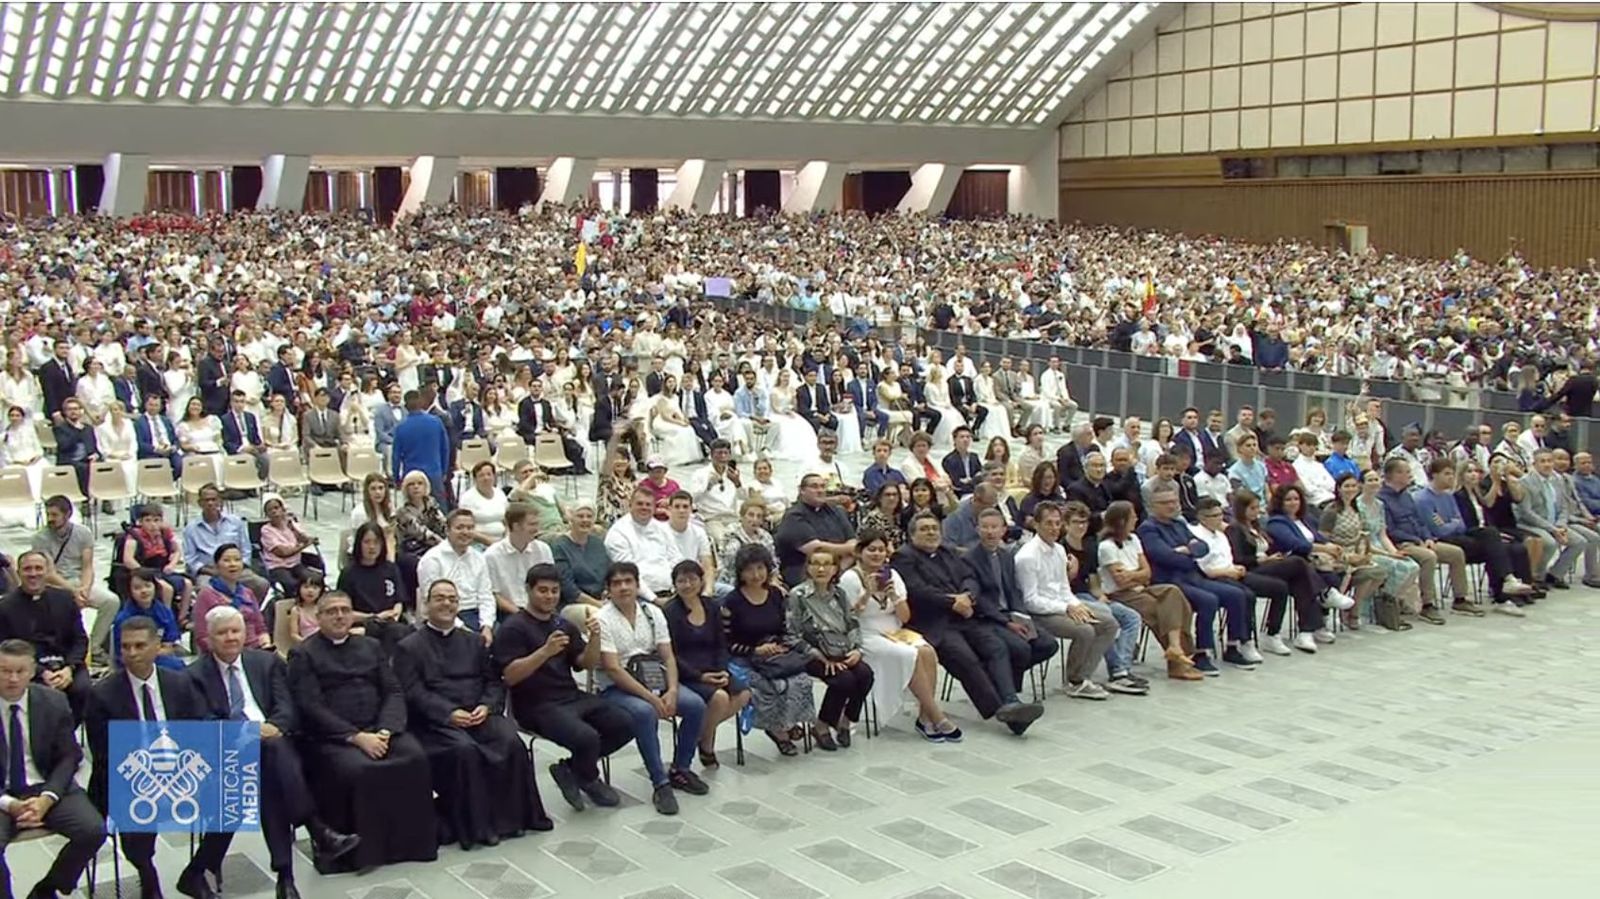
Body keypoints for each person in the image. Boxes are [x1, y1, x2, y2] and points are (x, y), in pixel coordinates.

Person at [188, 607, 359, 899]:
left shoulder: (266, 663)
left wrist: (271, 729)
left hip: (273, 747)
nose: (231, 637)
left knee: (270, 771)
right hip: (225, 756)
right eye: (222, 632)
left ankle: (281, 876)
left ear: (245, 633)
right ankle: (311, 838)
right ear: (207, 638)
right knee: (272, 760)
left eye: (236, 630)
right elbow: (201, 724)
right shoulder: (193, 675)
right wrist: (251, 733)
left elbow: (287, 708)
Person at [286, 591, 438, 872]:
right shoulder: (303, 653)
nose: (340, 616)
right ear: (318, 618)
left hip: (379, 729)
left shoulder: (370, 645)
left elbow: (393, 690)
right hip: (333, 737)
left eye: (345, 610)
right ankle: (362, 853)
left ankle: (411, 846)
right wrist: (356, 737)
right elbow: (310, 706)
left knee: (415, 758)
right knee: (359, 770)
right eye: (331, 611)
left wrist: (386, 729)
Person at [393, 580, 552, 847]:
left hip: (478, 713)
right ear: (426, 604)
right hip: (437, 722)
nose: (446, 604)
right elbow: (412, 692)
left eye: (452, 599)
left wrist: (486, 707)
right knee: (465, 751)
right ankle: (479, 827)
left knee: (511, 741)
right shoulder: (409, 647)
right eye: (440, 598)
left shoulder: (475, 641)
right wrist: (448, 713)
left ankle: (514, 820)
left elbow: (493, 681)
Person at [85, 615, 228, 899]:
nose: (132, 653)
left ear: (156, 647)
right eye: (126, 647)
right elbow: (104, 754)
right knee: (136, 806)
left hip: (180, 769)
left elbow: (198, 733)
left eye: (139, 646)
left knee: (232, 797)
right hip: (129, 774)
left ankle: (196, 872)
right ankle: (146, 873)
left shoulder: (179, 683)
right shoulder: (103, 694)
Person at [492, 563, 633, 812]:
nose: (549, 596)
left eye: (554, 591)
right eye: (543, 591)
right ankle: (589, 778)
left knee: (624, 723)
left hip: (569, 696)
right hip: (534, 704)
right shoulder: (513, 628)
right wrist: (544, 652)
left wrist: (595, 638)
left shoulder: (562, 624)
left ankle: (572, 769)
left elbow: (584, 664)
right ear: (529, 590)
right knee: (586, 738)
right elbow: (509, 677)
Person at [894, 513, 1045, 734]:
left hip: (964, 615)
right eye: (924, 529)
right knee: (967, 658)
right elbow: (917, 590)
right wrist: (951, 602)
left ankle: (1011, 699)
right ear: (912, 534)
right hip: (935, 623)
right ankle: (1006, 712)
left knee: (995, 646)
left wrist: (967, 596)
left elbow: (970, 577)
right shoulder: (904, 556)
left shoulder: (947, 551)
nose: (931, 533)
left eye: (934, 528)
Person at [594, 562, 709, 815]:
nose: (624, 587)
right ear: (608, 590)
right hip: (617, 686)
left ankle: (681, 769)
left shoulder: (653, 613)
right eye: (617, 583)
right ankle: (660, 782)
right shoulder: (602, 619)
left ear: (637, 585)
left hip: (655, 678)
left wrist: (672, 691)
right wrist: (650, 698)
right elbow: (612, 668)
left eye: (628, 581)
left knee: (695, 705)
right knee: (645, 713)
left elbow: (668, 657)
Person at [0, 638, 106, 899]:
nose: (13, 679)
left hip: (47, 786)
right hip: (3, 794)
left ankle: (48, 889)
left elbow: (70, 756)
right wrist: (10, 804)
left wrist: (47, 798)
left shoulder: (53, 701)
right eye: (4, 671)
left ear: (33, 671)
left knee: (93, 830)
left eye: (20, 671)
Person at [837, 530, 960, 740]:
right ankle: (937, 715)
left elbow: (904, 617)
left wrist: (894, 596)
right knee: (906, 655)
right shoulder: (850, 578)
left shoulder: (892, 575)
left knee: (927, 650)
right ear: (860, 552)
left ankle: (924, 717)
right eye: (871, 550)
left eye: (881, 550)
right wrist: (867, 593)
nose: (876, 554)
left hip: (894, 630)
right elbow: (847, 618)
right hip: (865, 633)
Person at [1137, 485, 1254, 675]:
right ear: (1153, 505)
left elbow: (1202, 547)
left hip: (1193, 576)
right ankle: (1201, 653)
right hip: (1169, 582)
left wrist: (1186, 550)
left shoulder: (1179, 524)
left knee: (1237, 594)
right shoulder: (1149, 529)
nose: (1171, 506)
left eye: (1174, 501)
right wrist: (1187, 552)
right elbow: (1164, 556)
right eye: (1165, 503)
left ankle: (1232, 646)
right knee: (1208, 600)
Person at [1013, 502, 1120, 699]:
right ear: (1036, 525)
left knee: (1108, 623)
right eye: (1048, 523)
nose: (1054, 528)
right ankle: (1073, 680)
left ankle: (1084, 675)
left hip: (1062, 604)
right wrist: (1067, 607)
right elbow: (1031, 600)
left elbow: (1064, 587)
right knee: (1084, 630)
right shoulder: (1027, 557)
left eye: (1057, 523)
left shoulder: (1060, 551)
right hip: (1040, 613)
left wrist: (1076, 604)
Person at [719, 544, 816, 756]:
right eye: (749, 570)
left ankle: (789, 722)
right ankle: (779, 731)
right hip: (744, 658)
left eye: (760, 568)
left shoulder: (776, 595)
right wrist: (755, 650)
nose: (755, 575)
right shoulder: (732, 601)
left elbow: (784, 629)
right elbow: (726, 642)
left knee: (800, 681)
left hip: (775, 654)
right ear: (740, 572)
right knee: (768, 686)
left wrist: (778, 646)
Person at [1097, 502, 1203, 680]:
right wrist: (1137, 575)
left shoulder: (1134, 539)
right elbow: (1120, 581)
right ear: (1122, 521)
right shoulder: (1107, 547)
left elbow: (1148, 573)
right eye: (1132, 517)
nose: (1136, 519)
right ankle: (1177, 663)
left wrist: (1133, 575)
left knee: (1174, 594)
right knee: (1159, 609)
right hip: (1121, 594)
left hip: (1142, 588)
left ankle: (1175, 648)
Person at [1415, 458, 1537, 613]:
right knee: (1494, 544)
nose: (1451, 477)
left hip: (1462, 535)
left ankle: (1508, 592)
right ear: (1434, 475)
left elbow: (1461, 523)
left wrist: (1450, 522)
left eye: (1452, 474)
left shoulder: (1448, 496)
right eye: (1446, 474)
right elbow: (1440, 530)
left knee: (1499, 544)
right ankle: (1505, 589)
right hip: (1441, 540)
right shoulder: (1423, 499)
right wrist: (1453, 523)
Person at [662, 561, 752, 767]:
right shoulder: (670, 612)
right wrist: (700, 676)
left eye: (692, 579)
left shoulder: (711, 606)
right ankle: (707, 746)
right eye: (681, 581)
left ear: (701, 581)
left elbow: (721, 643)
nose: (687, 585)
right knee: (719, 698)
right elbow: (670, 654)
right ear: (674, 585)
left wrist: (722, 670)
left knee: (744, 693)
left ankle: (701, 736)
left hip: (713, 667)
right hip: (685, 673)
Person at [786, 549, 874, 750]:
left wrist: (857, 650)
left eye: (827, 564)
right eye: (815, 563)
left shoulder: (839, 594)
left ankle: (846, 720)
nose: (821, 568)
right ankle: (822, 725)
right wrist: (817, 655)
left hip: (842, 649)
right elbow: (791, 634)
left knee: (865, 674)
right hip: (811, 652)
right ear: (808, 567)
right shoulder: (798, 595)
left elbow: (852, 623)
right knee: (844, 680)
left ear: (835, 568)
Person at [1379, 458, 1477, 621]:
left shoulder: (1407, 496)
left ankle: (1460, 599)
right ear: (1395, 474)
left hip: (1420, 540)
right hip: (1400, 543)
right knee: (1428, 557)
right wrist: (1416, 540)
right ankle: (1427, 604)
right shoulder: (1382, 499)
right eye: (1406, 472)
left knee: (1456, 553)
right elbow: (1391, 530)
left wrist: (1427, 537)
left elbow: (1419, 521)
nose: (1410, 475)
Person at [0, 553, 90, 722]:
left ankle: (66, 734)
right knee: (40, 694)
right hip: (27, 669)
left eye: (38, 568)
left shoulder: (65, 599)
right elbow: (5, 646)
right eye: (27, 569)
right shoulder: (5, 606)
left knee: (83, 690)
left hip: (67, 664)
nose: (33, 574)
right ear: (19, 573)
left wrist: (69, 668)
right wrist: (41, 672)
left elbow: (80, 639)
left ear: (47, 571)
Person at [30, 496, 118, 666]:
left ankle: (94, 647)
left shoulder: (83, 533)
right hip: (55, 584)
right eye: (48, 514)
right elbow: (49, 573)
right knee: (69, 605)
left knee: (111, 601)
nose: (50, 519)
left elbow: (87, 566)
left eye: (54, 515)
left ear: (68, 514)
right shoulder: (39, 539)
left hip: (78, 581)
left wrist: (85, 588)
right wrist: (74, 591)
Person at [415, 509, 497, 639]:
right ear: (447, 531)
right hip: (446, 616)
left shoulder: (479, 558)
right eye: (460, 528)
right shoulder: (432, 559)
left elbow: (486, 595)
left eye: (470, 528)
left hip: (477, 615)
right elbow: (431, 601)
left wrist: (487, 626)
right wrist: (463, 629)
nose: (465, 532)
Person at [182, 484, 272, 600]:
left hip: (236, 568)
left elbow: (245, 549)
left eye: (213, 499)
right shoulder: (191, 529)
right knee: (205, 591)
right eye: (206, 500)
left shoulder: (235, 522)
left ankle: (249, 612)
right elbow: (191, 559)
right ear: (200, 503)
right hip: (209, 572)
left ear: (220, 501)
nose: (210, 503)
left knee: (261, 584)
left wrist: (238, 567)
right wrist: (213, 571)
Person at [773, 473, 856, 587]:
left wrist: (838, 570)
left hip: (841, 567)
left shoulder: (837, 511)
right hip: (802, 570)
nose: (820, 490)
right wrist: (851, 549)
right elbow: (816, 548)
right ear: (802, 490)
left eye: (823, 486)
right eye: (814, 486)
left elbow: (852, 541)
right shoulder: (794, 515)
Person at [604, 486, 687, 599]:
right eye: (640, 504)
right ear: (630, 505)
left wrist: (681, 589)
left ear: (654, 508)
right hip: (638, 597)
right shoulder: (618, 533)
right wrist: (654, 599)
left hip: (673, 591)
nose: (644, 507)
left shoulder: (662, 528)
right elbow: (628, 574)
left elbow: (676, 559)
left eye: (648, 505)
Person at [191, 544, 272, 655]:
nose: (233, 564)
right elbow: (202, 636)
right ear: (217, 566)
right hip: (225, 653)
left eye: (237, 560)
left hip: (254, 650)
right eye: (227, 560)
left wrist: (265, 642)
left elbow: (260, 627)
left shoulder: (247, 593)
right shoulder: (206, 595)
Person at [110, 570, 184, 672]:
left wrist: (151, 652)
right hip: (133, 663)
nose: (144, 591)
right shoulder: (123, 619)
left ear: (155, 587)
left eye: (148, 586)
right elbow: (123, 655)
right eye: (137, 588)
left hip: (160, 659)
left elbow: (170, 646)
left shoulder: (164, 612)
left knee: (179, 667)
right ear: (130, 591)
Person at [391, 390, 451, 505]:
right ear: (421, 403)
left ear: (406, 406)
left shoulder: (401, 428)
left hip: (412, 475)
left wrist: (396, 478)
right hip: (434, 473)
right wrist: (443, 471)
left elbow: (396, 456)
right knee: (439, 508)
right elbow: (445, 448)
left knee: (413, 509)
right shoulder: (436, 422)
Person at [259, 493, 324, 594]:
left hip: (295, 564)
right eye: (270, 510)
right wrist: (304, 545)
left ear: (283, 509)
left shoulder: (290, 524)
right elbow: (283, 553)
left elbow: (305, 539)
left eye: (276, 508)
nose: (274, 512)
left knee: (313, 580)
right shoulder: (266, 530)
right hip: (277, 566)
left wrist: (293, 528)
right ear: (266, 514)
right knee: (293, 584)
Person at [456, 460, 509, 545]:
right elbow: (465, 527)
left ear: (494, 477)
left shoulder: (500, 494)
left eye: (489, 474)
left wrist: (506, 538)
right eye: (481, 475)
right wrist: (490, 542)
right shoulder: (467, 498)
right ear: (475, 479)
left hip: (501, 541)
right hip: (478, 542)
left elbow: (507, 521)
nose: (486, 478)